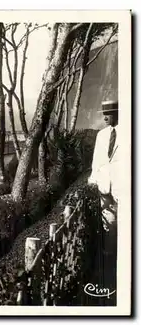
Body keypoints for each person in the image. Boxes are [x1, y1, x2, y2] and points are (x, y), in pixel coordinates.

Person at [88, 100, 119, 300]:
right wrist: (93, 181)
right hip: (103, 191)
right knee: (108, 230)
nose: (105, 116)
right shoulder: (101, 135)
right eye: (104, 112)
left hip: (123, 190)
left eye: (109, 112)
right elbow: (97, 162)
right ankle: (109, 276)